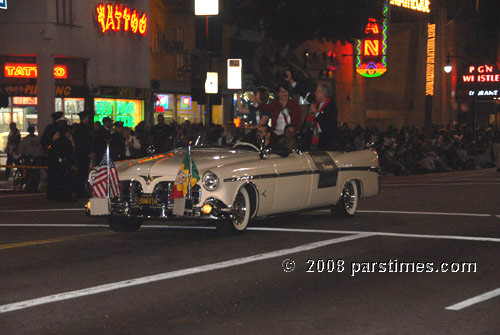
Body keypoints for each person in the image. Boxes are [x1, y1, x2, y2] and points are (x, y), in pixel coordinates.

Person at [302, 84, 339, 150]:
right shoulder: (315, 104)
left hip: (325, 140)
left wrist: (316, 113)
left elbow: (328, 124)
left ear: (323, 94)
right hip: (311, 136)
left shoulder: (331, 107)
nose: (315, 93)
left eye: (317, 92)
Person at [47, 121, 75, 201]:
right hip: (65, 164)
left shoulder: (55, 141)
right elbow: (70, 153)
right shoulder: (67, 142)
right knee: (66, 180)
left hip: (56, 164)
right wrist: (71, 163)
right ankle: (65, 196)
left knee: (57, 180)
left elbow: (51, 153)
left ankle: (56, 195)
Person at [17, 125, 44, 192]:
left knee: (36, 173)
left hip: (36, 158)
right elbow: (21, 150)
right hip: (28, 158)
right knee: (28, 172)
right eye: (30, 130)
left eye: (32, 130)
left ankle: (34, 186)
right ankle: (27, 183)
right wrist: (23, 155)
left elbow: (41, 149)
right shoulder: (25, 140)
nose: (31, 131)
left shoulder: (38, 139)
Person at [74, 111, 94, 197]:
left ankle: (80, 190)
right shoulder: (83, 128)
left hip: (82, 154)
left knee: (82, 173)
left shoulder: (80, 128)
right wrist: (88, 153)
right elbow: (84, 143)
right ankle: (80, 191)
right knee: (82, 173)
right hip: (83, 155)